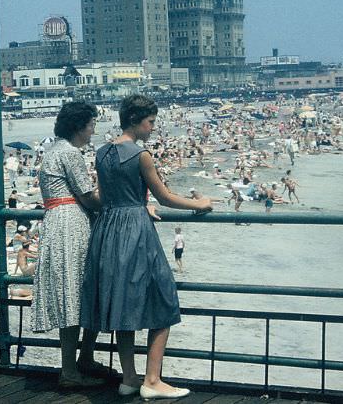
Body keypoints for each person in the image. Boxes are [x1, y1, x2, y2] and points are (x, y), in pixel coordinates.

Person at [81, 94, 211, 399]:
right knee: (163, 299)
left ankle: (129, 378)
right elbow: (164, 197)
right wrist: (199, 203)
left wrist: (136, 203)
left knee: (123, 303)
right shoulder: (141, 155)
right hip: (135, 231)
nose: (153, 127)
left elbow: (106, 194)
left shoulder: (101, 153)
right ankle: (152, 380)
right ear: (136, 121)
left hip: (108, 229)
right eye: (150, 122)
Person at [32, 101, 105, 388]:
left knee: (69, 291)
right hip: (71, 222)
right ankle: (72, 370)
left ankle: (78, 362)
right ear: (79, 126)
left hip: (54, 220)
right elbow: (87, 196)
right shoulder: (71, 154)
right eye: (91, 125)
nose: (93, 130)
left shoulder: (52, 151)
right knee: (76, 293)